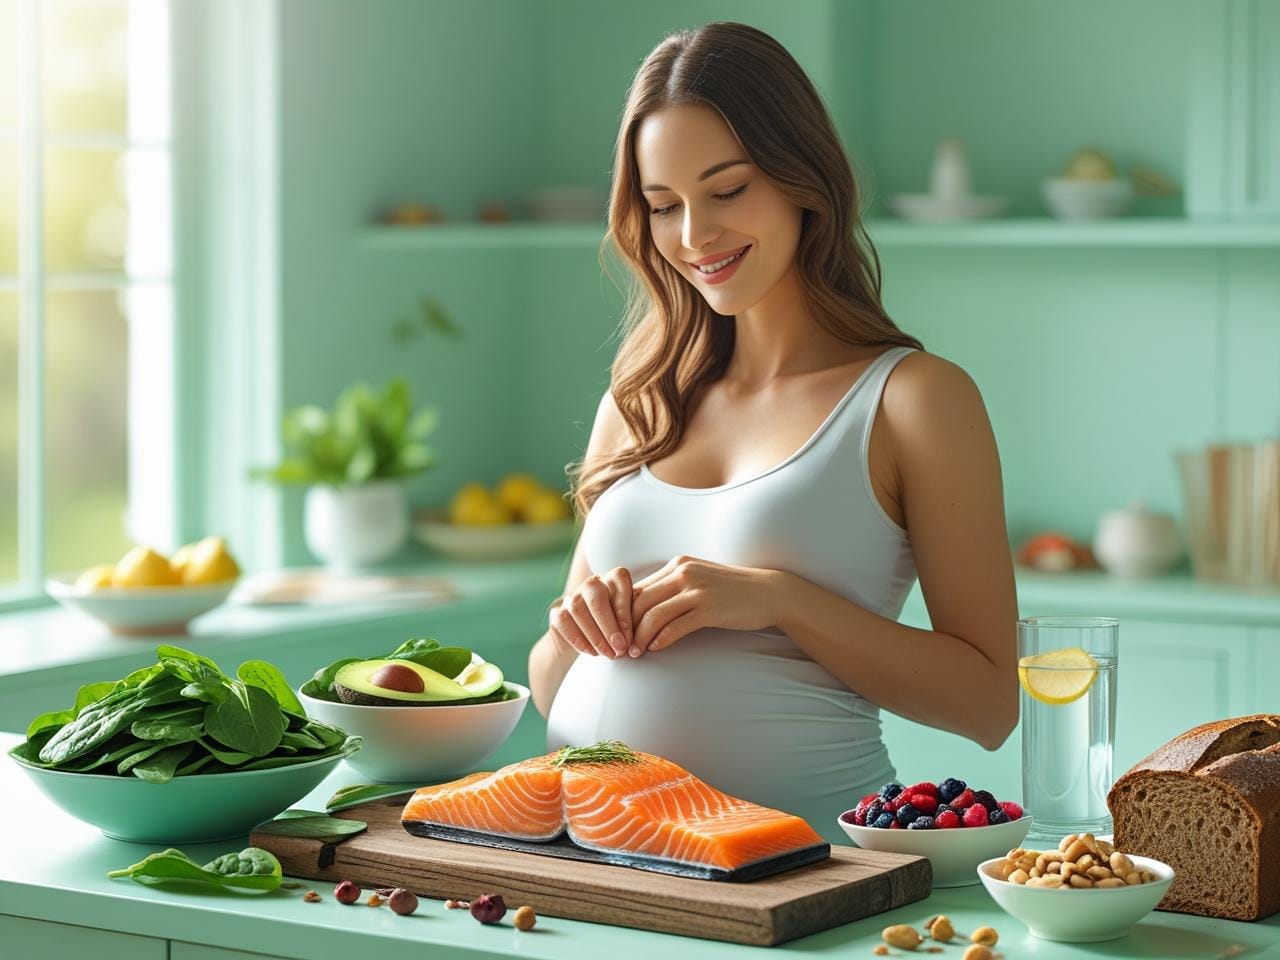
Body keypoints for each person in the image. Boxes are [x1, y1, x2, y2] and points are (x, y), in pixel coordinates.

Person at [527, 21, 1017, 839]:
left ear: (802, 179)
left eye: (728, 190)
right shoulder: (640, 401)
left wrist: (781, 602)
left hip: (802, 876)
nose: (694, 236)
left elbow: (990, 702)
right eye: (662, 206)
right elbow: (553, 685)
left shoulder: (912, 401)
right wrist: (573, 623)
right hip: (593, 865)